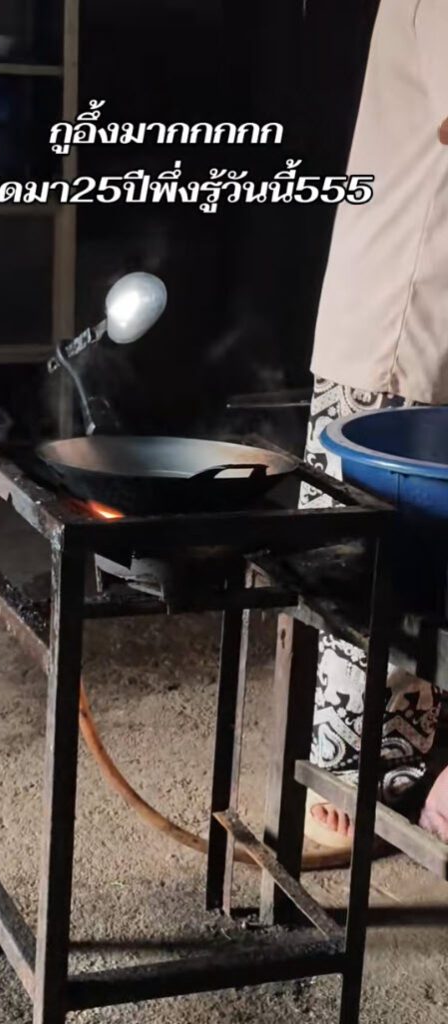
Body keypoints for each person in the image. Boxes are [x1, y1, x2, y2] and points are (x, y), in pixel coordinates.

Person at [302, 0, 448, 853]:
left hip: (411, 321)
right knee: (367, 573)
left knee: (382, 570)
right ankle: (353, 774)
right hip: (403, 328)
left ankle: (385, 762)